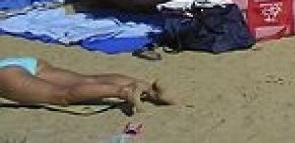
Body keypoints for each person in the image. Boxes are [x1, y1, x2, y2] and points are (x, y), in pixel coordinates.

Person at [0, 57, 174, 113]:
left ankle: (124, 92)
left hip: (6, 74)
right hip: (21, 61)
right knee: (88, 80)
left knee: (60, 95)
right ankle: (150, 90)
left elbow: (63, 97)